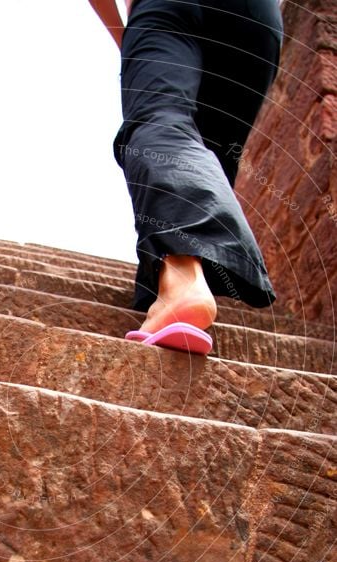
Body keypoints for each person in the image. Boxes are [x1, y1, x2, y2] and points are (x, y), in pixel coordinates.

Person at [88, 0, 284, 343]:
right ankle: (173, 282)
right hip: (259, 19)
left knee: (162, 119)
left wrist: (128, 35)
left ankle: (183, 287)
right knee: (215, 156)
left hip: (170, 8)